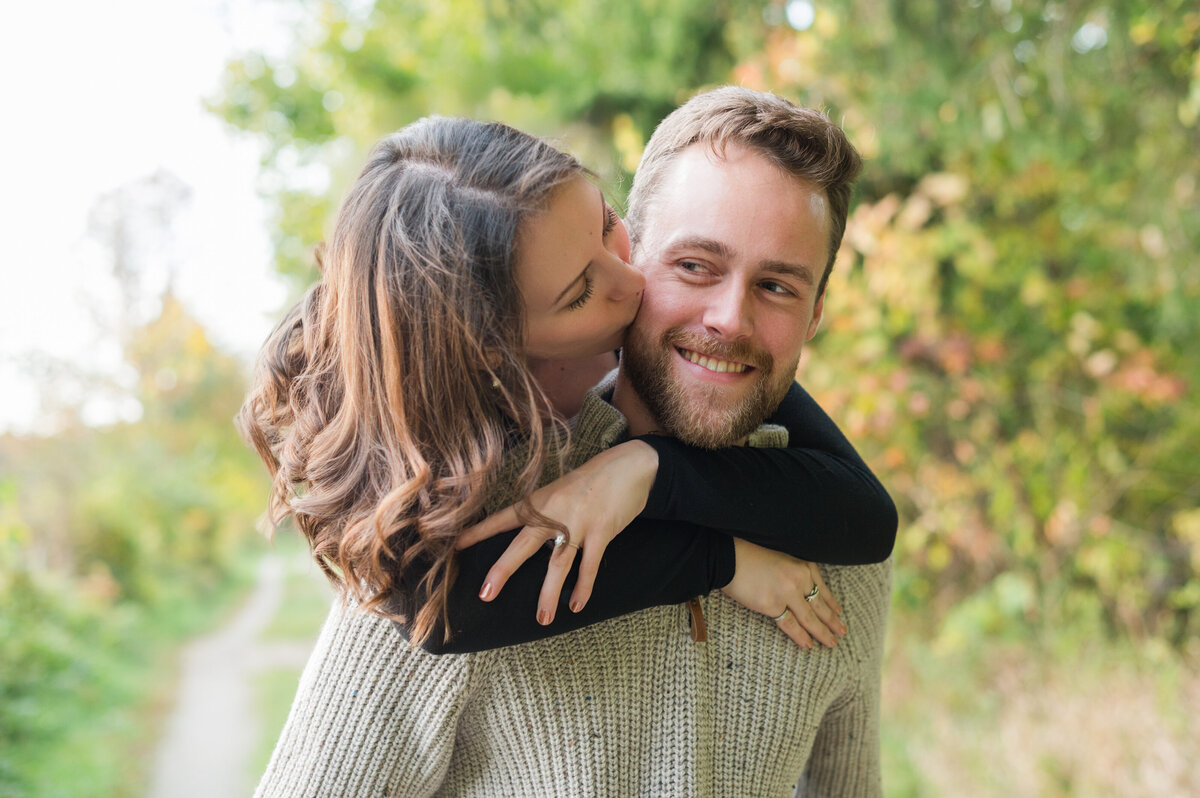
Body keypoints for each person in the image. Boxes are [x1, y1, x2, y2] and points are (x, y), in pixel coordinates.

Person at [249, 95, 893, 797]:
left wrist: (649, 469)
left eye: (776, 286)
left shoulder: (831, 541)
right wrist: (714, 557)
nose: (728, 319)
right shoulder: (451, 525)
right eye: (694, 266)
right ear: (497, 347)